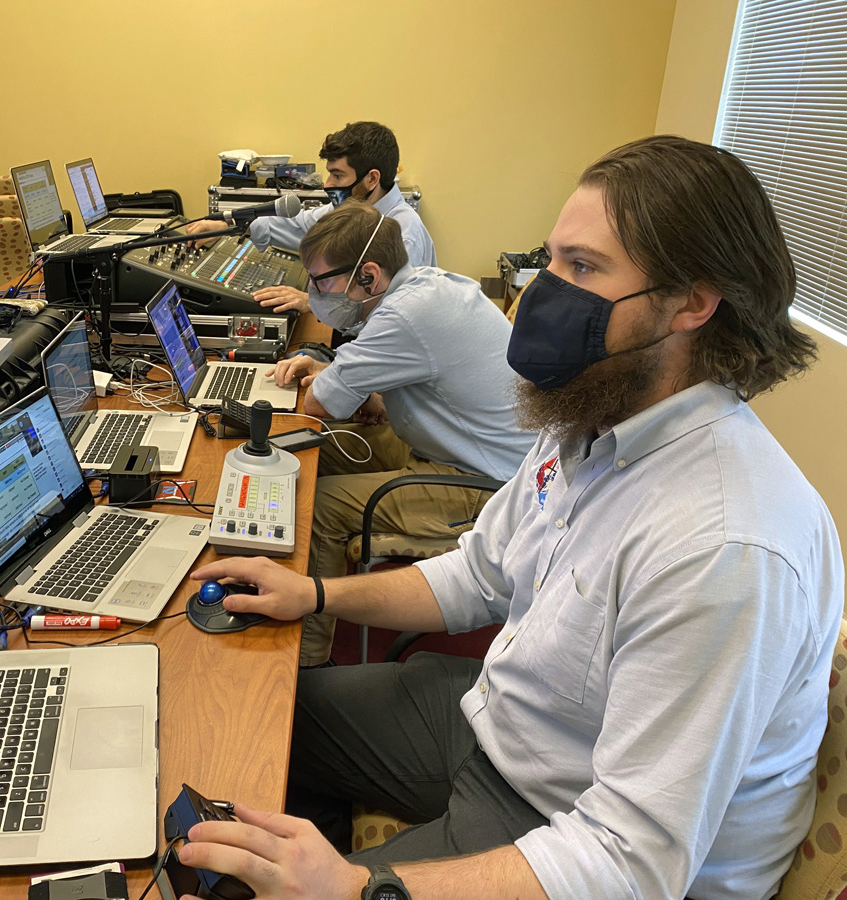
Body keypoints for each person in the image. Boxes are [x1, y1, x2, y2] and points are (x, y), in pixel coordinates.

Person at [181, 135, 844, 900]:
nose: (539, 293)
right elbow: (479, 572)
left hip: (574, 827)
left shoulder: (726, 545)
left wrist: (360, 893)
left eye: (583, 268)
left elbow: (630, 860)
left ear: (693, 303)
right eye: (553, 259)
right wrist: (319, 596)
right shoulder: (592, 416)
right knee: (263, 716)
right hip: (505, 731)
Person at [271, 201, 532, 665]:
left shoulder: (403, 317)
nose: (313, 293)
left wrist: (333, 377)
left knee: (323, 505)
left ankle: (309, 660)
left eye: (321, 281)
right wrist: (342, 377)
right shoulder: (428, 286)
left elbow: (318, 404)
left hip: (488, 485)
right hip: (459, 446)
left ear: (368, 276)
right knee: (310, 451)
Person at [187, 122, 435, 320]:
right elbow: (295, 225)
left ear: (372, 179)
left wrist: (313, 303)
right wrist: (228, 226)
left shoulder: (405, 235)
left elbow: (391, 324)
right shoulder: (349, 211)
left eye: (338, 175)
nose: (328, 184)